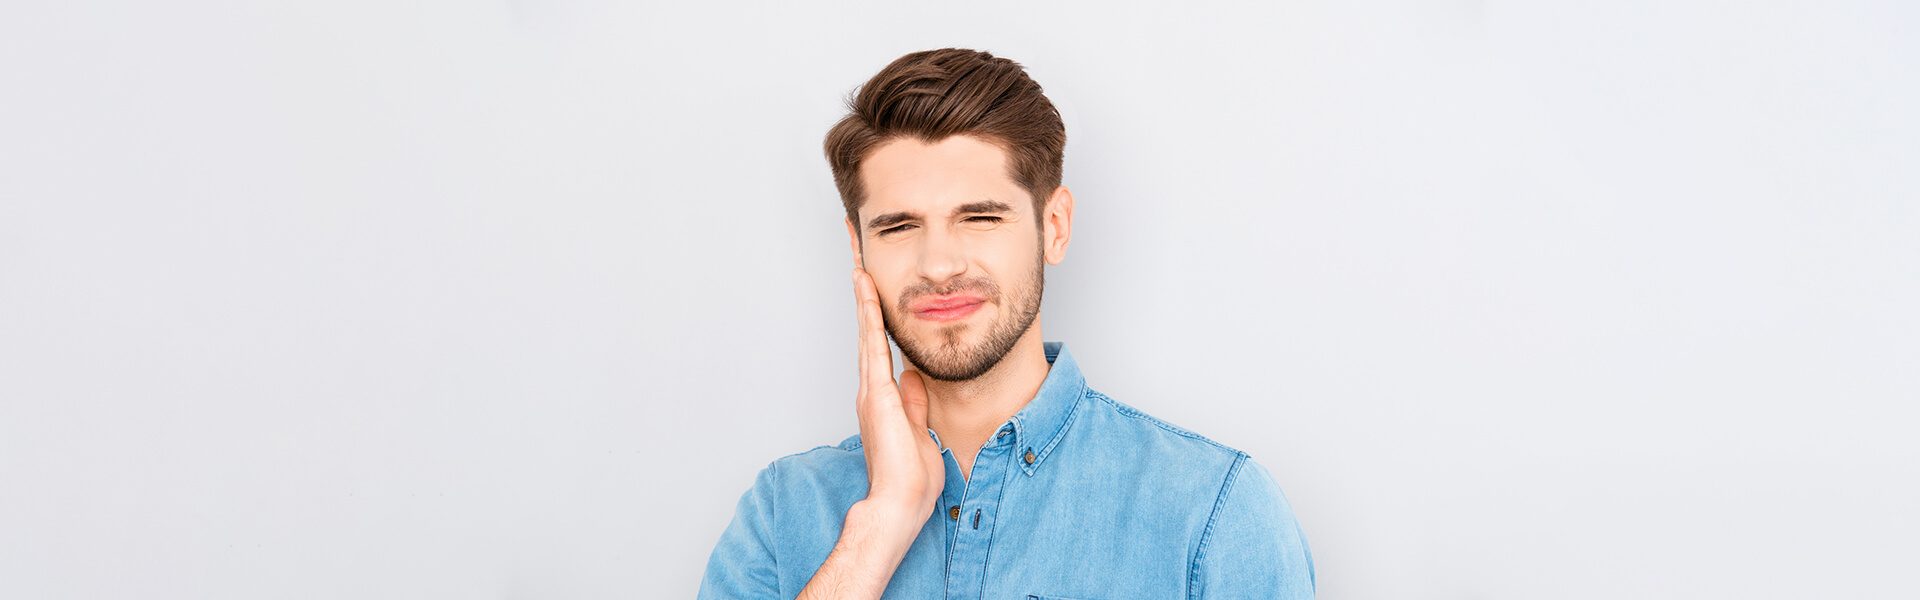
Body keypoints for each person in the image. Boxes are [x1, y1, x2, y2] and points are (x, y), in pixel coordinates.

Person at [698, 48, 1315, 599]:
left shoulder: (1214, 512)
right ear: (858, 248)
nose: (939, 264)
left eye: (980, 218)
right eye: (899, 226)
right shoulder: (781, 513)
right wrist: (879, 527)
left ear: (1055, 227)